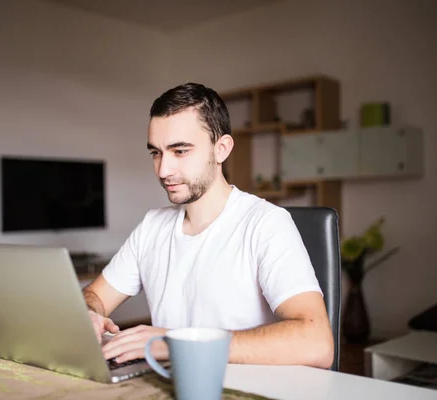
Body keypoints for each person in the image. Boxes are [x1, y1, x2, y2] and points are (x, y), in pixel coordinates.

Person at [82, 83, 334, 368]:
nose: (164, 170)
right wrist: (90, 312)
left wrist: (180, 344)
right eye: (156, 153)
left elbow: (317, 343)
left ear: (222, 149)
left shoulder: (266, 223)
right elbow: (94, 296)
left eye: (180, 151)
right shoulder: (152, 226)